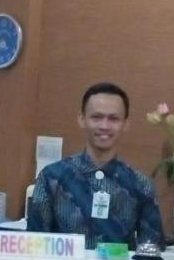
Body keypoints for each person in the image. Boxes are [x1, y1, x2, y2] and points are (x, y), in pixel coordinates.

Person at [27, 82, 164, 249]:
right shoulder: (51, 178)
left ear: (125, 124)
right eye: (96, 117)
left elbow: (152, 250)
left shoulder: (141, 185)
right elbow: (34, 246)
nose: (104, 126)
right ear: (82, 120)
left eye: (113, 119)